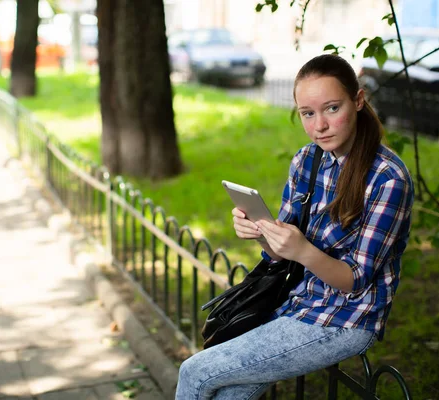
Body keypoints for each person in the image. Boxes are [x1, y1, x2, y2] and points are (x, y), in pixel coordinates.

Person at [175, 54, 414, 399]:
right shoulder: (307, 159)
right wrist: (259, 230)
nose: (320, 126)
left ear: (358, 101)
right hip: (296, 301)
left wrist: (302, 250)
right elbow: (279, 256)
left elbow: (356, 280)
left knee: (196, 372)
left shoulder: (387, 178)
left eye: (332, 108)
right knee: (227, 394)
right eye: (308, 113)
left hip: (346, 318)